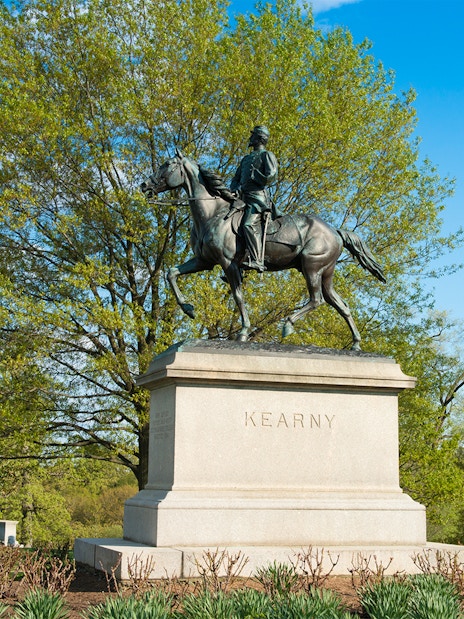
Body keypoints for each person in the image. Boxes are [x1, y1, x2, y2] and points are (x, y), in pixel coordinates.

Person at [230, 125, 278, 272]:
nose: (250, 138)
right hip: (242, 198)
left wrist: (258, 177)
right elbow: (236, 178)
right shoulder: (245, 159)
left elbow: (272, 176)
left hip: (257, 199)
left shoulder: (266, 155)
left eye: (253, 135)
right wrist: (234, 188)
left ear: (259, 138)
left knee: (248, 225)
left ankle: (257, 260)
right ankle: (236, 263)